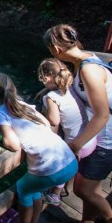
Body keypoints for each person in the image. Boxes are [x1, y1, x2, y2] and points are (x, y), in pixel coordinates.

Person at [43, 24, 112, 223]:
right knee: (92, 188)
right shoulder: (85, 60)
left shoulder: (89, 70)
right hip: (97, 138)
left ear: (56, 49)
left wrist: (75, 145)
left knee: (82, 190)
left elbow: (102, 115)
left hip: (105, 141)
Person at [0, 71, 78, 223]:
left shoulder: (0, 114)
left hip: (52, 171)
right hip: (70, 162)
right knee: (36, 191)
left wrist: (13, 135)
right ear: (13, 88)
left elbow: (12, 144)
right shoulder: (25, 106)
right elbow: (46, 123)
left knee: (23, 188)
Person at [37, 58, 97, 206]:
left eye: (43, 80)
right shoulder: (70, 87)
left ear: (48, 77)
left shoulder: (51, 97)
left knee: (60, 165)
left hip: (77, 145)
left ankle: (55, 195)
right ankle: (64, 183)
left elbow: (54, 121)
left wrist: (40, 114)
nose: (42, 82)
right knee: (70, 165)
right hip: (91, 140)